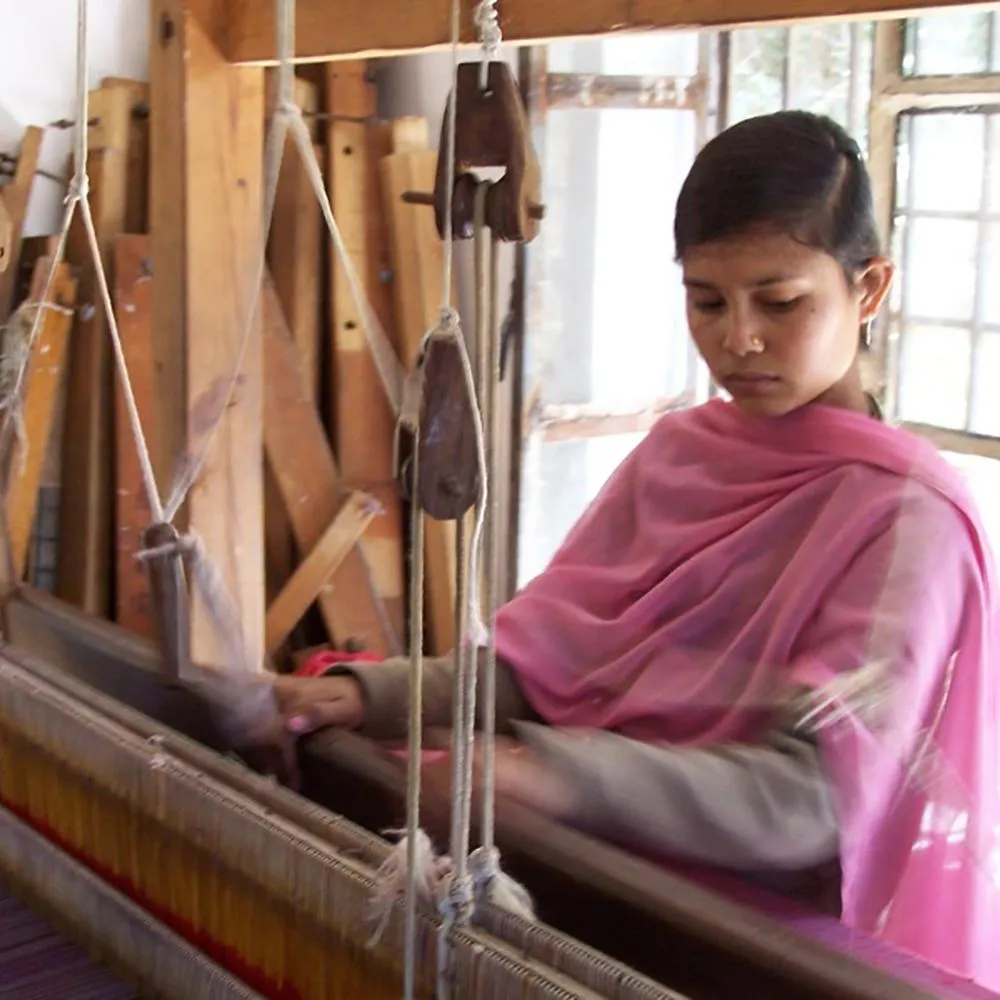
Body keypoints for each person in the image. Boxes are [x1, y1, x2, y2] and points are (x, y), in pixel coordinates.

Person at [273, 111, 999, 987]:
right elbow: (544, 671)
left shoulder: (905, 524)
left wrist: (559, 776)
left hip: (722, 948)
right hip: (559, 894)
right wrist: (364, 696)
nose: (739, 340)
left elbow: (812, 802)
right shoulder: (676, 459)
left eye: (781, 301)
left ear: (870, 288)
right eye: (706, 301)